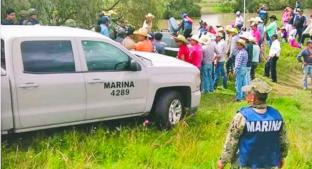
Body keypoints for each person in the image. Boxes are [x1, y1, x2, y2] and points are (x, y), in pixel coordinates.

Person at [218, 79, 289, 169]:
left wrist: (223, 161)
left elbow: (232, 141)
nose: (246, 95)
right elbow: (283, 141)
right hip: (269, 164)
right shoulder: (276, 116)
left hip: (246, 164)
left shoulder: (242, 116)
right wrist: (281, 157)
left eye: (247, 93)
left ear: (252, 97)